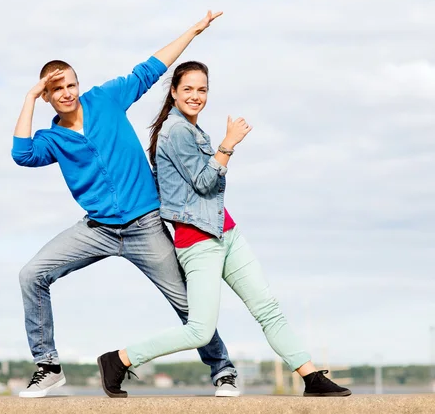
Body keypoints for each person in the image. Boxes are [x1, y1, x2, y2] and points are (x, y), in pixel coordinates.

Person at [11, 12, 241, 398]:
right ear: (48, 96)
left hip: (145, 225)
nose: (67, 92)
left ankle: (223, 369)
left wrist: (193, 31)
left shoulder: (105, 99)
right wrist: (29, 97)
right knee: (31, 275)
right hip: (96, 230)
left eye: (71, 84)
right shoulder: (52, 138)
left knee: (187, 304)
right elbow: (22, 154)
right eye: (56, 89)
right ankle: (47, 365)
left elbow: (151, 68)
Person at [97, 61, 352, 398]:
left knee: (267, 308)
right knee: (200, 331)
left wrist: (222, 146)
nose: (195, 96)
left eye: (202, 90)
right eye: (188, 89)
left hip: (226, 232)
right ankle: (120, 359)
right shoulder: (176, 132)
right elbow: (204, 184)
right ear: (173, 92)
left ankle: (310, 377)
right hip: (198, 242)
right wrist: (228, 144)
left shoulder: (191, 129)